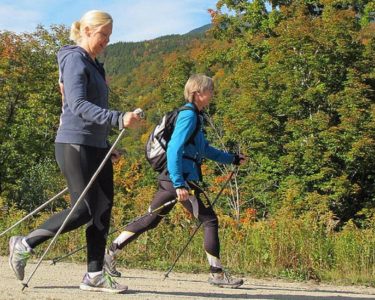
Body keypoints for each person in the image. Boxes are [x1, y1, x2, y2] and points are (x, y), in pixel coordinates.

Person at [8, 10, 141, 294]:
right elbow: (78, 105)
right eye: (102, 34)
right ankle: (24, 244)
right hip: (73, 143)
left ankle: (93, 275)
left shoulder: (95, 65)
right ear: (86, 31)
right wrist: (118, 118)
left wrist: (106, 144)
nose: (106, 40)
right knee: (82, 210)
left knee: (102, 210)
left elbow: (91, 110)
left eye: (109, 36)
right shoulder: (74, 60)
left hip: (95, 146)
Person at [103, 74, 246, 288]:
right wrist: (180, 183)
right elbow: (174, 148)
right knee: (209, 221)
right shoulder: (189, 116)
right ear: (198, 93)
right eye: (210, 91)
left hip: (172, 178)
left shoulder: (196, 116)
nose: (212, 94)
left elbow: (204, 149)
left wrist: (232, 159)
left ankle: (109, 254)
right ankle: (216, 274)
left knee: (150, 220)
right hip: (183, 179)